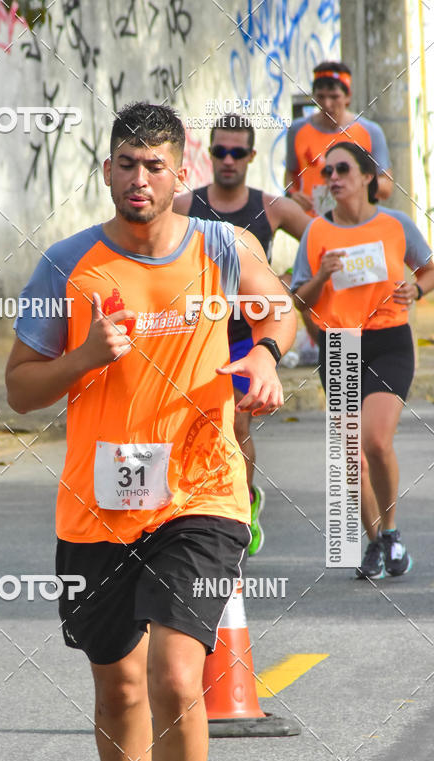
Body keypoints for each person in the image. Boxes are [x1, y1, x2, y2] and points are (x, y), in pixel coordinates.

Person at [6, 102, 296, 761]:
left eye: (155, 165)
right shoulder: (67, 265)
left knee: (174, 674)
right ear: (107, 171)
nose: (140, 179)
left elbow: (279, 309)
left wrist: (266, 356)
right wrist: (84, 358)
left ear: (181, 173)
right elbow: (20, 387)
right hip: (97, 507)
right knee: (121, 686)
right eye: (127, 164)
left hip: (201, 492)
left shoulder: (221, 247)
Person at [291, 142, 434, 579]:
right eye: (327, 171)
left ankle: (391, 532)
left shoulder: (395, 224)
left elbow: (428, 267)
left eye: (342, 169)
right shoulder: (316, 232)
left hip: (389, 340)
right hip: (339, 344)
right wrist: (322, 276)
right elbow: (300, 298)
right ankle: (375, 543)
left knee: (374, 440)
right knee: (353, 455)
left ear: (368, 176)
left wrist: (417, 289)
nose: (332, 177)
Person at [175, 115, 311, 555]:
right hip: (195, 334)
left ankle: (241, 508)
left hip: (246, 338)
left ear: (251, 156)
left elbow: (320, 238)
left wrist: (292, 281)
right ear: (210, 154)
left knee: (235, 423)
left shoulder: (271, 208)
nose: (228, 160)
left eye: (237, 152)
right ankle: (191, 510)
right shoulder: (184, 205)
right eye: (220, 151)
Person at [285, 61, 393, 218]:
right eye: (321, 97)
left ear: (348, 97)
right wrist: (292, 194)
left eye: (334, 97)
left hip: (357, 223)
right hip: (311, 224)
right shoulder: (297, 130)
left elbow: (386, 187)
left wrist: (355, 183)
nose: (327, 104)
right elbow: (290, 176)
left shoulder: (370, 131)